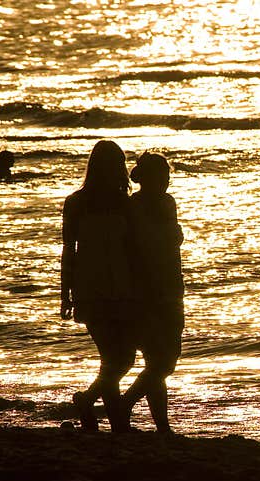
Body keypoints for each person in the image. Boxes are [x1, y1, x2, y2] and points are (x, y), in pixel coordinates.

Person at [60, 140, 137, 433]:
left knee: (122, 358)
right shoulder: (76, 202)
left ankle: (88, 400)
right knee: (114, 357)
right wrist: (65, 293)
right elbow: (69, 248)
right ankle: (117, 421)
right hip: (91, 288)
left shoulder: (124, 203)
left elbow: (133, 249)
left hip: (121, 286)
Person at [121, 152, 184, 434]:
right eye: (163, 176)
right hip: (149, 291)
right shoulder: (134, 208)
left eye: (168, 177)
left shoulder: (166, 203)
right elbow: (144, 249)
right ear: (148, 179)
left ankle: (161, 425)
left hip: (169, 286)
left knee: (161, 361)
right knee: (162, 361)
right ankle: (125, 405)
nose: (167, 182)